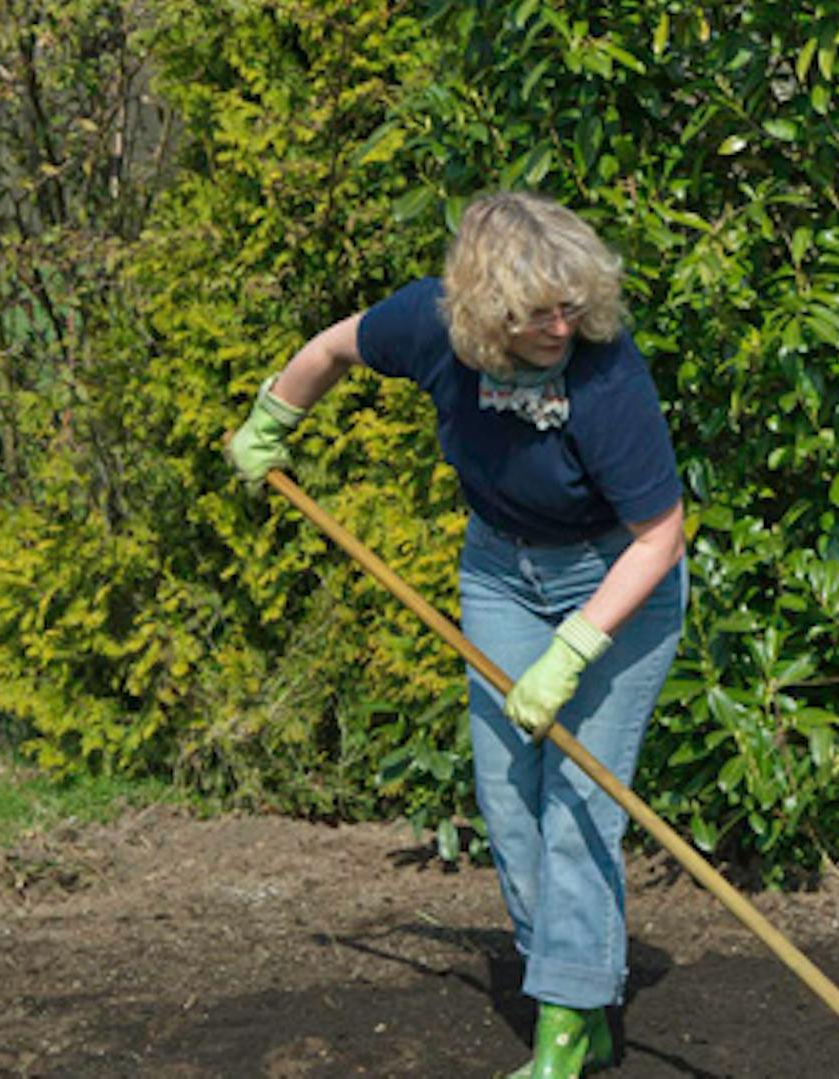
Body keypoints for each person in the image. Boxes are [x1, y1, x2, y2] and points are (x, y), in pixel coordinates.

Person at [228, 191, 686, 1078]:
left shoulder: (605, 373)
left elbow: (660, 535)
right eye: (535, 312)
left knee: (581, 802)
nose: (561, 324)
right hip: (499, 573)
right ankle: (571, 991)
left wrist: (573, 651)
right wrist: (272, 419)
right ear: (481, 310)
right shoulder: (427, 326)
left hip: (617, 584)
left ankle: (565, 1027)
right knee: (510, 798)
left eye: (572, 303)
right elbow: (329, 349)